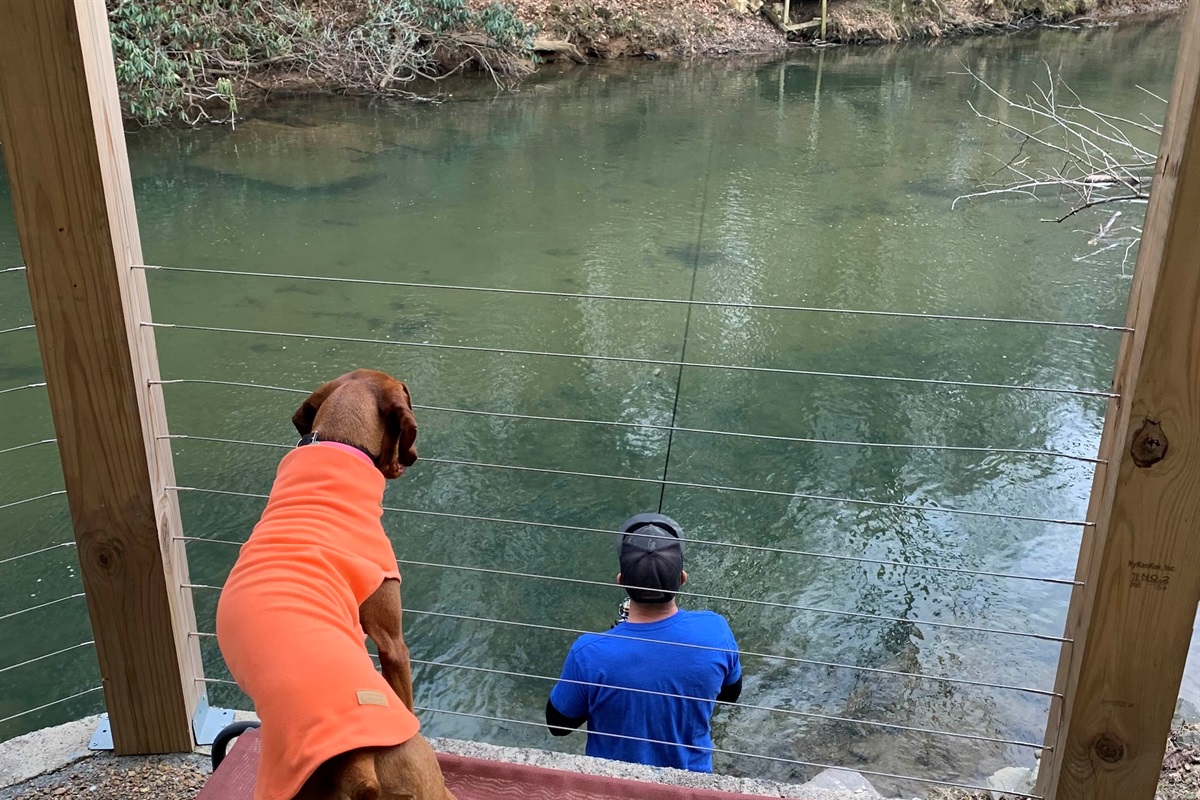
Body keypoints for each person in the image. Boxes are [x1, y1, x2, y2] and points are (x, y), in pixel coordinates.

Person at [546, 513, 743, 772]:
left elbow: (558, 725)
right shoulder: (716, 630)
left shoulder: (589, 653)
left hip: (612, 787)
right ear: (682, 578)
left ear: (621, 581)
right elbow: (731, 694)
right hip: (692, 787)